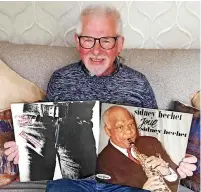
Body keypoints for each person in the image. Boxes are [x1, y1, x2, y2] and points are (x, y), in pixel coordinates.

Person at [4, 4, 197, 191]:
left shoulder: (138, 83)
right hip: (72, 181)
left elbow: (159, 134)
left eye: (106, 40)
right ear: (78, 41)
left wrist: (178, 165)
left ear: (119, 44)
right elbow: (43, 133)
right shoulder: (60, 79)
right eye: (88, 39)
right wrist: (25, 147)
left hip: (127, 184)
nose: (96, 51)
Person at [97, 105, 180, 191]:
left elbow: (179, 178)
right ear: (107, 131)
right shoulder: (101, 163)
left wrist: (168, 172)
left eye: (131, 124)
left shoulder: (152, 142)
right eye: (120, 127)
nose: (129, 131)